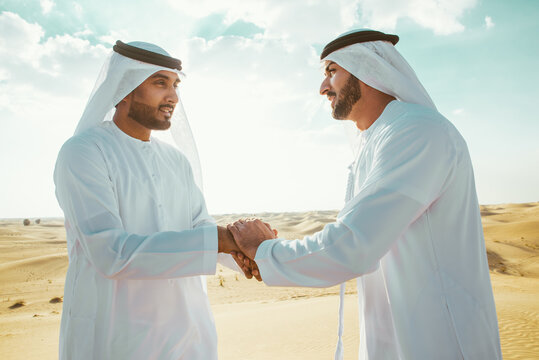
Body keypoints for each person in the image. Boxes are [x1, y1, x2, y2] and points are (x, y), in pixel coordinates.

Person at [229, 29, 502, 360]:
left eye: (332, 71)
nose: (322, 88)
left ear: (366, 68)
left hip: (441, 341)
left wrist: (265, 251)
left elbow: (352, 245)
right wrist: (253, 251)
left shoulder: (417, 132)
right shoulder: (381, 141)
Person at [53, 40, 257, 360]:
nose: (173, 96)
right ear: (124, 88)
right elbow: (111, 253)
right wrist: (221, 240)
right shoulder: (84, 153)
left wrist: (245, 251)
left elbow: (200, 227)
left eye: (175, 84)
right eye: (160, 83)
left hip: (187, 336)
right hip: (117, 339)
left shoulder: (175, 160)